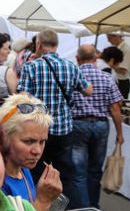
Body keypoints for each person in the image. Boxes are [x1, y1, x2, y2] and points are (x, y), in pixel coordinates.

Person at [17, 29, 92, 186]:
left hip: (38, 128)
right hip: (63, 129)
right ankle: (59, 205)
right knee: (62, 173)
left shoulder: (30, 66)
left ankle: (36, 205)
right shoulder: (71, 66)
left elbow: (23, 99)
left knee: (35, 170)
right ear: (56, 46)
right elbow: (87, 90)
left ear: (38, 44)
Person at [69, 45, 124, 209]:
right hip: (100, 125)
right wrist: (119, 134)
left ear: (77, 59)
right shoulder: (107, 78)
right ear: (95, 59)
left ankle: (82, 206)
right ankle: (93, 206)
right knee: (95, 169)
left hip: (78, 124)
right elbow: (115, 108)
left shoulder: (72, 77)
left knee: (78, 170)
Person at [105, 33, 130, 99]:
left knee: (119, 107)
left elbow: (123, 71)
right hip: (116, 81)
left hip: (122, 83)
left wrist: (111, 65)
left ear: (117, 36)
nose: (108, 41)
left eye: (109, 38)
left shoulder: (127, 49)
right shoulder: (117, 48)